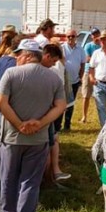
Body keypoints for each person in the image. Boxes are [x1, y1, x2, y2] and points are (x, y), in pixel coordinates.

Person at [0, 39, 66, 212]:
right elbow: (61, 106)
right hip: (38, 138)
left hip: (11, 137)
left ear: (26, 55)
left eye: (18, 55)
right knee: (30, 181)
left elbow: (0, 103)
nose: (16, 58)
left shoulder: (11, 73)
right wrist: (40, 123)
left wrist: (19, 125)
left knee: (8, 179)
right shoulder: (54, 78)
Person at [41, 44, 70, 183]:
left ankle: (52, 174)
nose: (54, 64)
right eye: (53, 61)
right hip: (45, 115)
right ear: (47, 56)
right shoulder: (46, 73)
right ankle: (49, 177)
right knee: (49, 141)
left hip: (46, 115)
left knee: (52, 139)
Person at [59, 29, 85, 131]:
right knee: (60, 103)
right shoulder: (62, 48)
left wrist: (81, 76)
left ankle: (67, 125)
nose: (70, 38)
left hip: (74, 80)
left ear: (76, 37)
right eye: (68, 36)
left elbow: (83, 63)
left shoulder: (80, 49)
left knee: (71, 104)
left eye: (72, 36)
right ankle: (58, 125)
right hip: (63, 81)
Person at [80, 28, 102, 123]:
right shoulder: (88, 46)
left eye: (97, 34)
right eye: (94, 34)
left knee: (100, 97)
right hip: (88, 72)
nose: (96, 36)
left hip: (100, 73)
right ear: (91, 36)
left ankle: (101, 117)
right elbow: (87, 58)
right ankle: (84, 116)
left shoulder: (102, 46)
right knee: (86, 95)